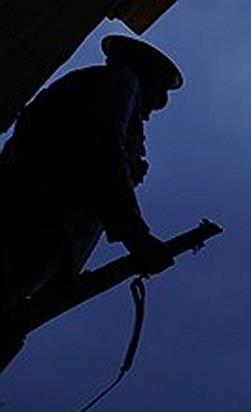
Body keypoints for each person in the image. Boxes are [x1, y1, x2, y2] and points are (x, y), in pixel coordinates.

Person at [0, 35, 182, 311]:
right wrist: (137, 237)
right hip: (35, 219)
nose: (145, 117)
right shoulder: (121, 82)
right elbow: (103, 152)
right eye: (150, 105)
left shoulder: (88, 85)